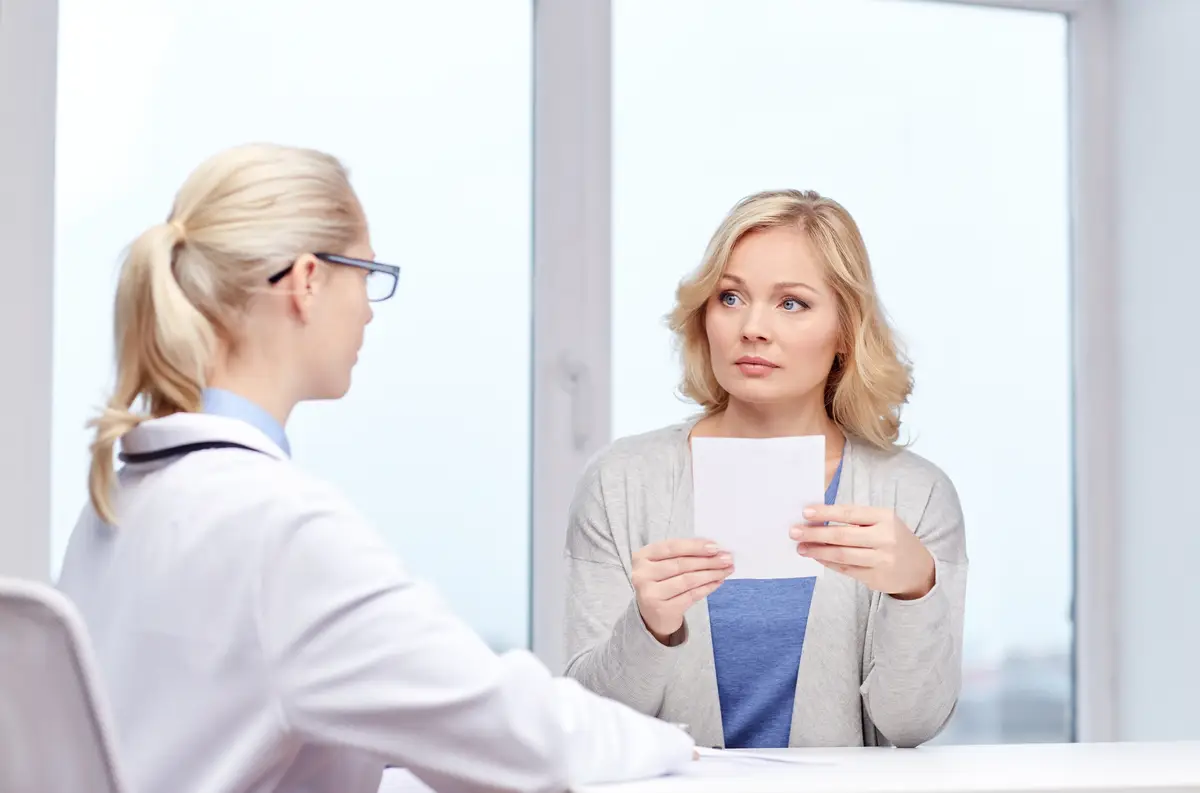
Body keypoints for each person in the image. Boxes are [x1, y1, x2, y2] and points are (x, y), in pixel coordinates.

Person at [55, 143, 694, 793]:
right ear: (307, 280)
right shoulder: (277, 526)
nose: (366, 309)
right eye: (366, 273)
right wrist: (673, 743)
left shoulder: (117, 501)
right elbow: (522, 739)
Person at [562, 189, 968, 750]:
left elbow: (911, 725)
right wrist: (649, 625)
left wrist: (914, 591)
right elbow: (587, 720)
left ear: (845, 331)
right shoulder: (621, 483)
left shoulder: (915, 494)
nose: (752, 327)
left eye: (791, 303)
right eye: (730, 297)